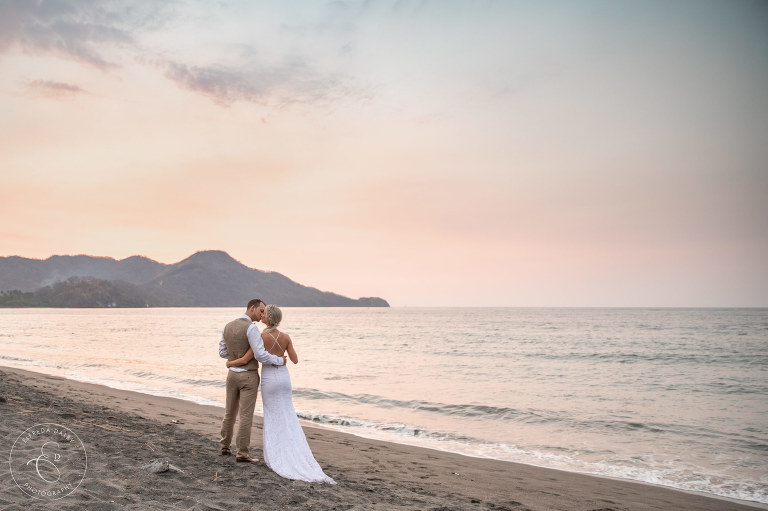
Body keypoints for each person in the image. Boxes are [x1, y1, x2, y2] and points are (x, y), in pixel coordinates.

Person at [226, 304, 336, 484]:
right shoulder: (285, 337)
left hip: (269, 379)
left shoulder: (261, 337)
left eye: (264, 315)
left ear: (268, 318)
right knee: (287, 414)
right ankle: (294, 451)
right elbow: (295, 359)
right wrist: (282, 354)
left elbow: (247, 359)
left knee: (272, 415)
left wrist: (230, 364)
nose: (261, 317)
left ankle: (276, 455)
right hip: (284, 380)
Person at [218, 298, 286, 463]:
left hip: (232, 375)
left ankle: (225, 446)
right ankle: (242, 453)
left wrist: (235, 357)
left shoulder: (227, 326)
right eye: (261, 311)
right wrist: (279, 360)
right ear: (252, 308)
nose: (263, 314)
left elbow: (222, 352)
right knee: (246, 416)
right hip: (248, 375)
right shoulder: (251, 329)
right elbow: (260, 354)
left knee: (229, 413)